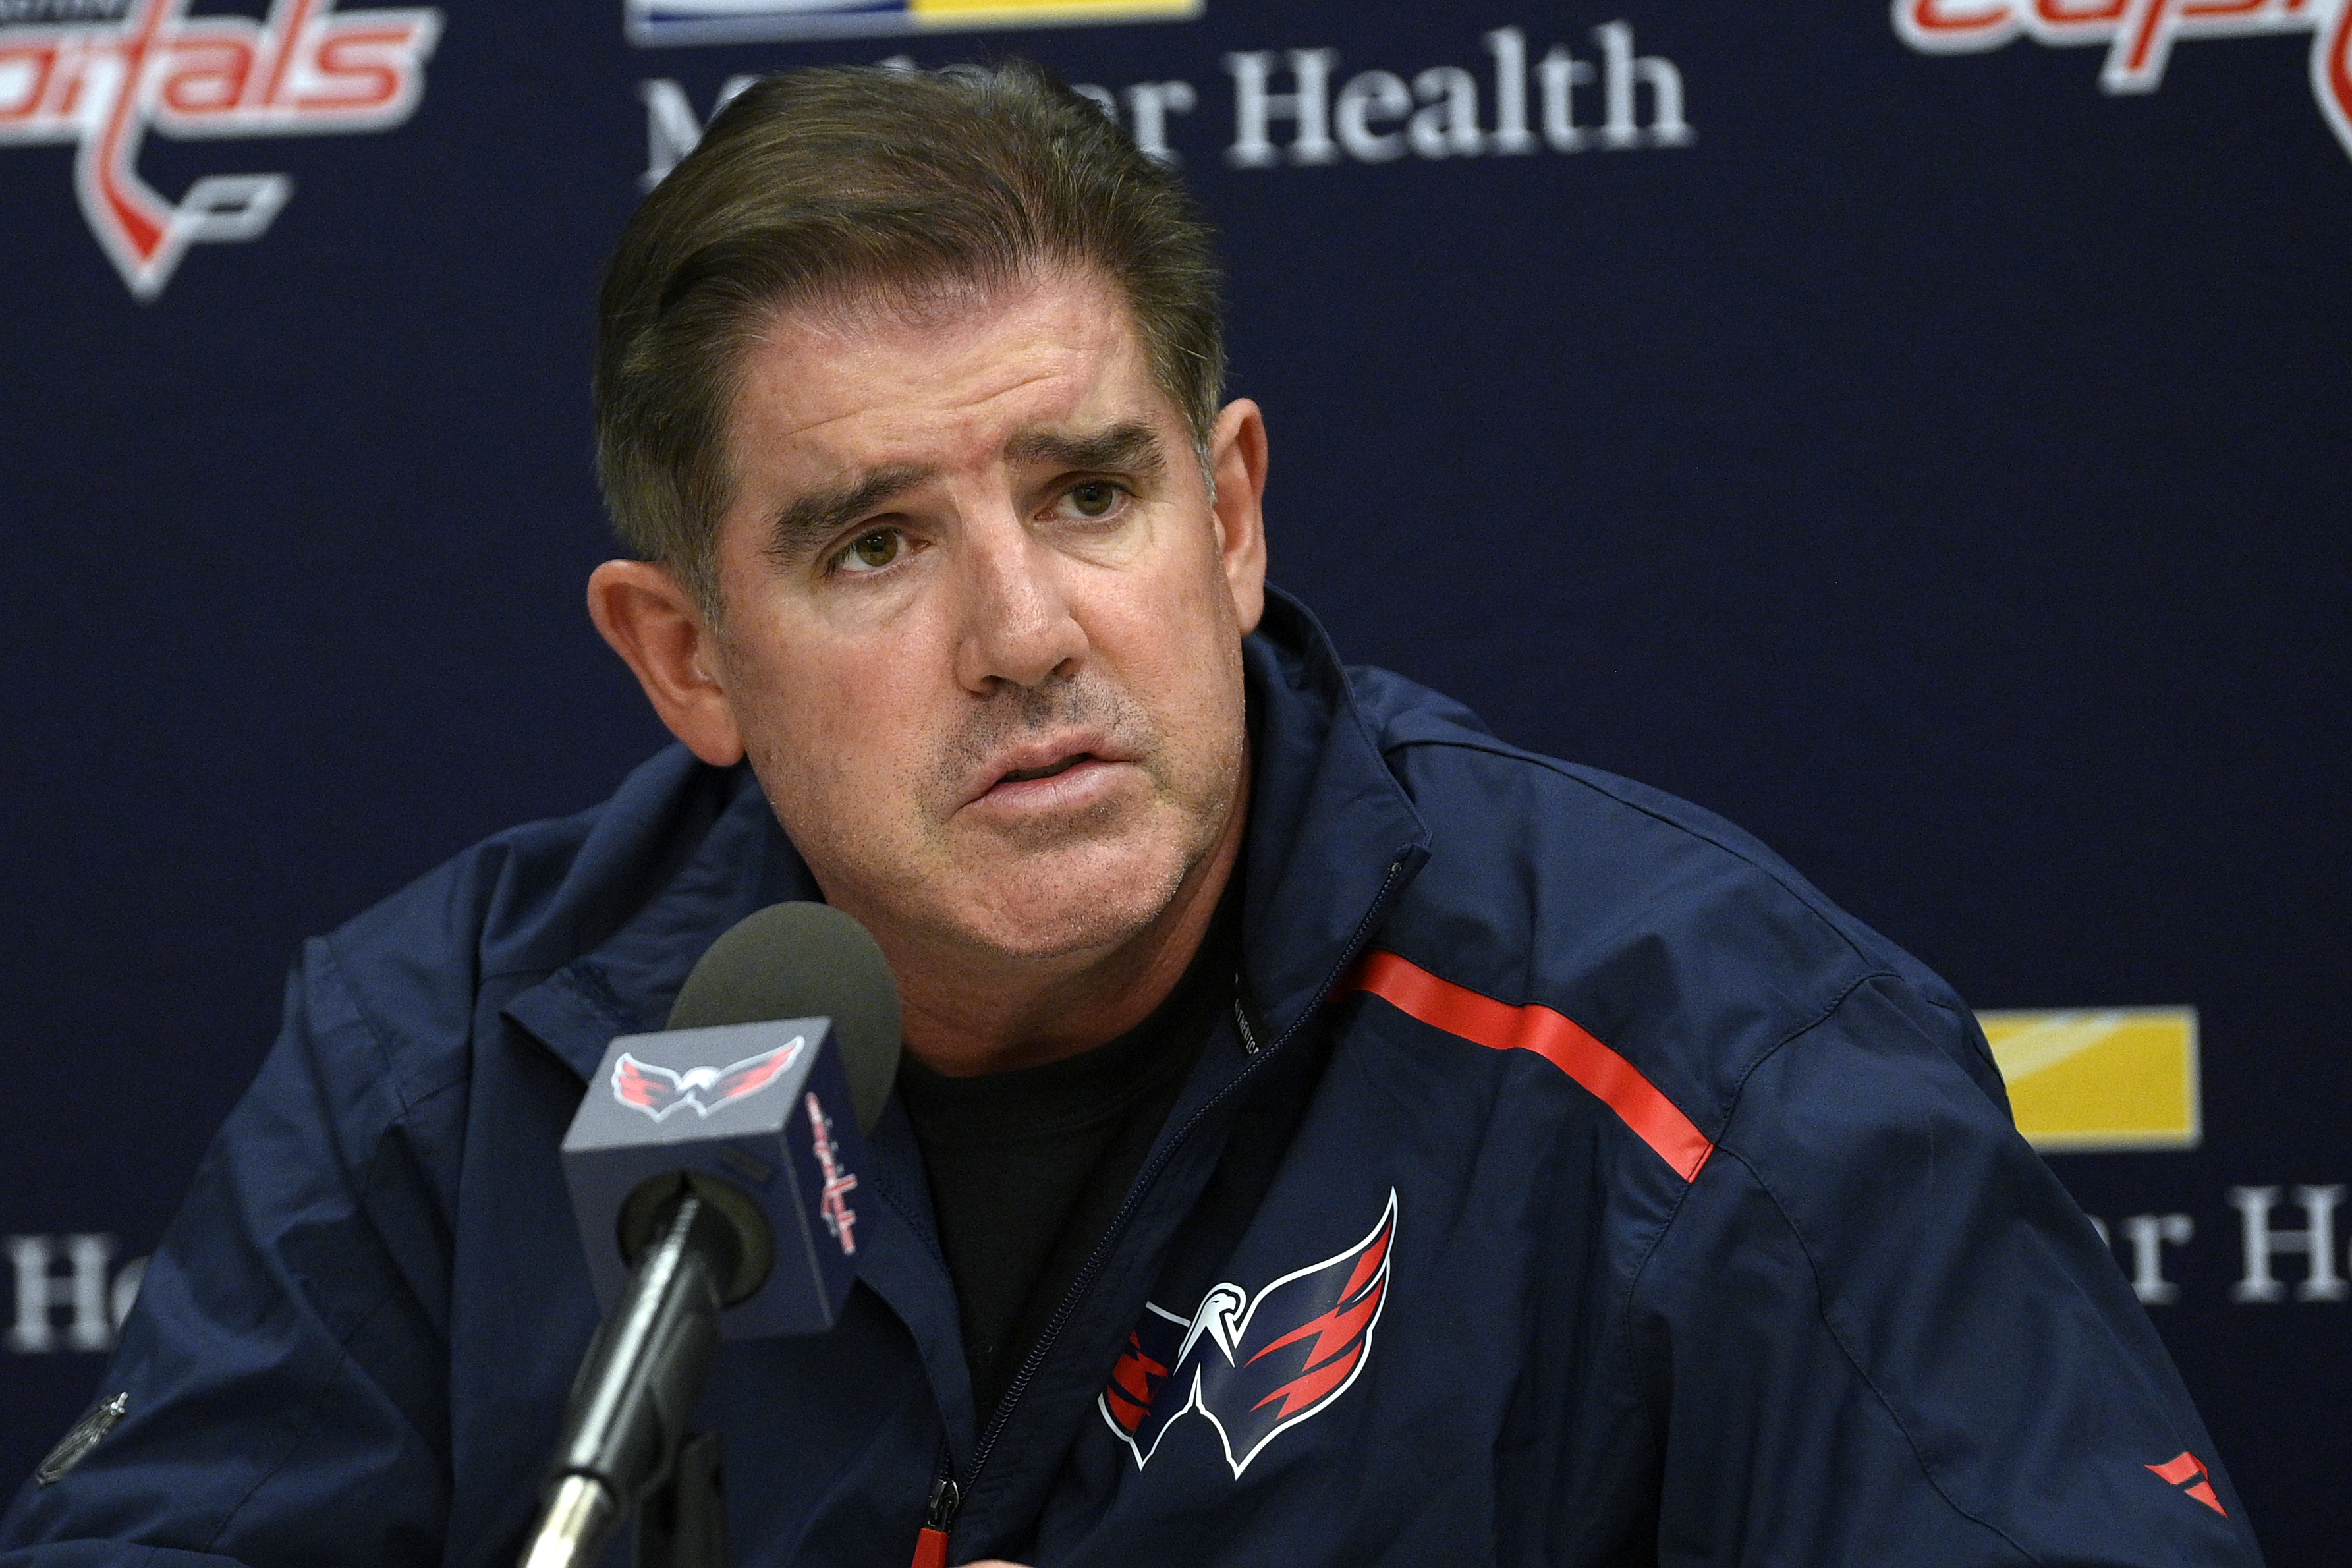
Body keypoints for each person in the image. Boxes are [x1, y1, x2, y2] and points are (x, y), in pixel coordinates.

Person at [0, 59, 2263, 1568]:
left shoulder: (1706, 1055)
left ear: (1234, 515)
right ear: (684, 655)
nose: (1024, 629)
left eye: (1091, 492)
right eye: (872, 542)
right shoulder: (442, 1073)